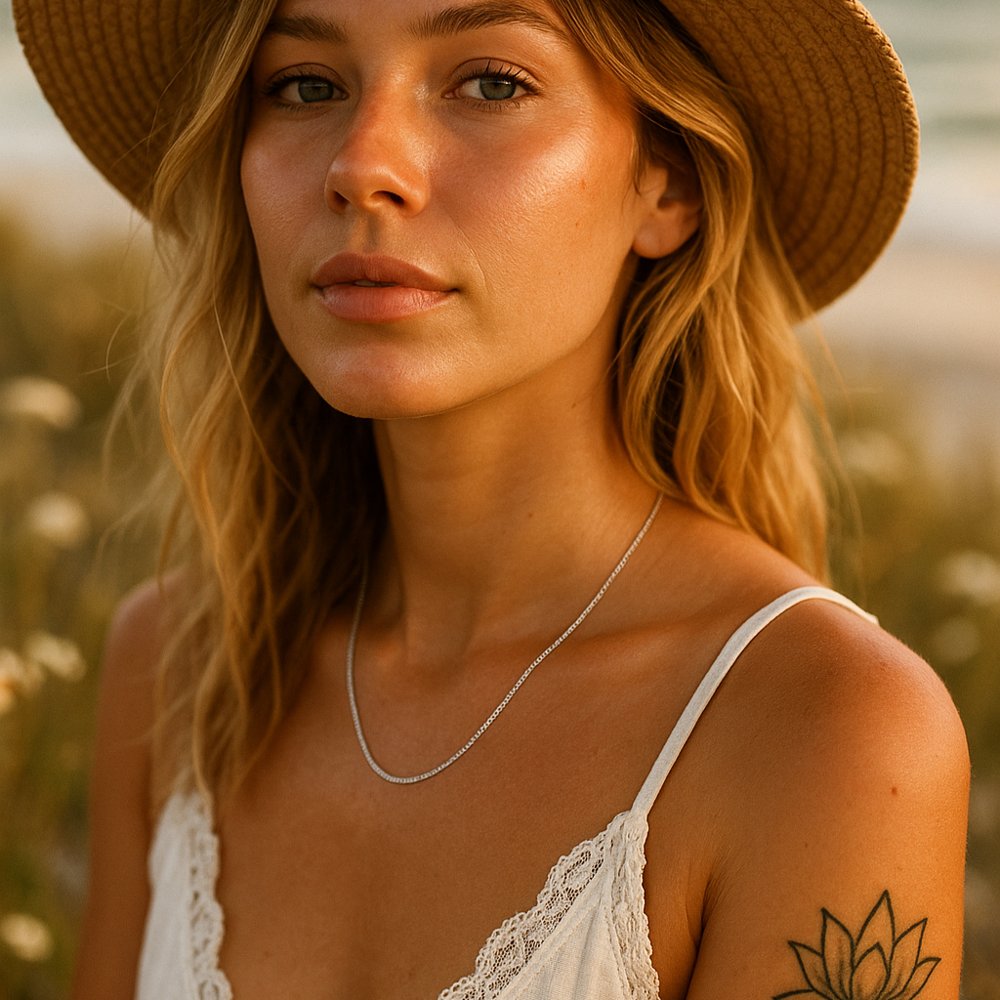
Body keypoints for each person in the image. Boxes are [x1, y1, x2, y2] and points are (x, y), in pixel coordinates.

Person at [15, 0, 969, 997]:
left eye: (491, 83)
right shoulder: (179, 668)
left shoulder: (826, 733)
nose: (361, 164)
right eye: (305, 85)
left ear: (668, 181)